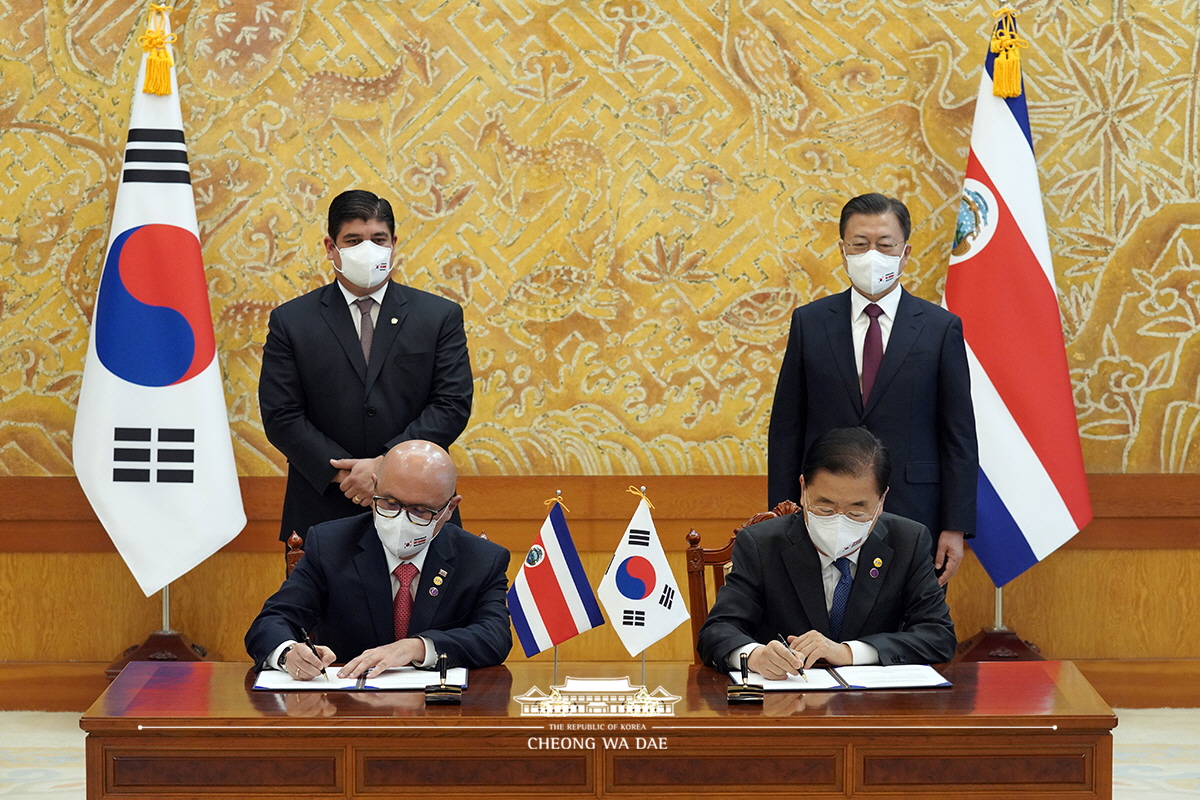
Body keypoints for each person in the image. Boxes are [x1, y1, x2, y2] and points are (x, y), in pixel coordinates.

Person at [767, 192, 977, 585]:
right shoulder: (810, 323)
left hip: (914, 511)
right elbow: (786, 429)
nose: (872, 255)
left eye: (885, 245)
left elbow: (958, 434)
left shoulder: (939, 328)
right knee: (823, 613)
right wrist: (781, 515)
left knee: (909, 619)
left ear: (905, 252)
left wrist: (956, 526)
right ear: (843, 251)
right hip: (824, 513)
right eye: (860, 244)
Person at [259, 189, 473, 543]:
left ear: (393, 244)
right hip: (323, 506)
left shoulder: (438, 317)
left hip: (420, 506)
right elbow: (281, 415)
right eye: (354, 240)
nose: (368, 249)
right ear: (331, 247)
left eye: (378, 239)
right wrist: (348, 475)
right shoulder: (291, 321)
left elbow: (451, 405)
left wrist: (384, 467)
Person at [699, 427, 956, 678]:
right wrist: (755, 656)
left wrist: (848, 652)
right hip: (787, 698)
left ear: (882, 501)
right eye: (825, 509)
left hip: (875, 701)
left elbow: (938, 636)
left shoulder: (907, 541)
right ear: (803, 490)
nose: (839, 522)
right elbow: (717, 631)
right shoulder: (761, 544)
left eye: (856, 512)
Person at [245, 440, 512, 678]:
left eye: (420, 510)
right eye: (390, 503)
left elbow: (495, 636)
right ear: (374, 488)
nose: (401, 520)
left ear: (449, 508)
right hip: (347, 704)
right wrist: (288, 653)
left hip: (439, 707)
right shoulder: (330, 545)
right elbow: (272, 621)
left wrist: (416, 647)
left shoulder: (481, 559)